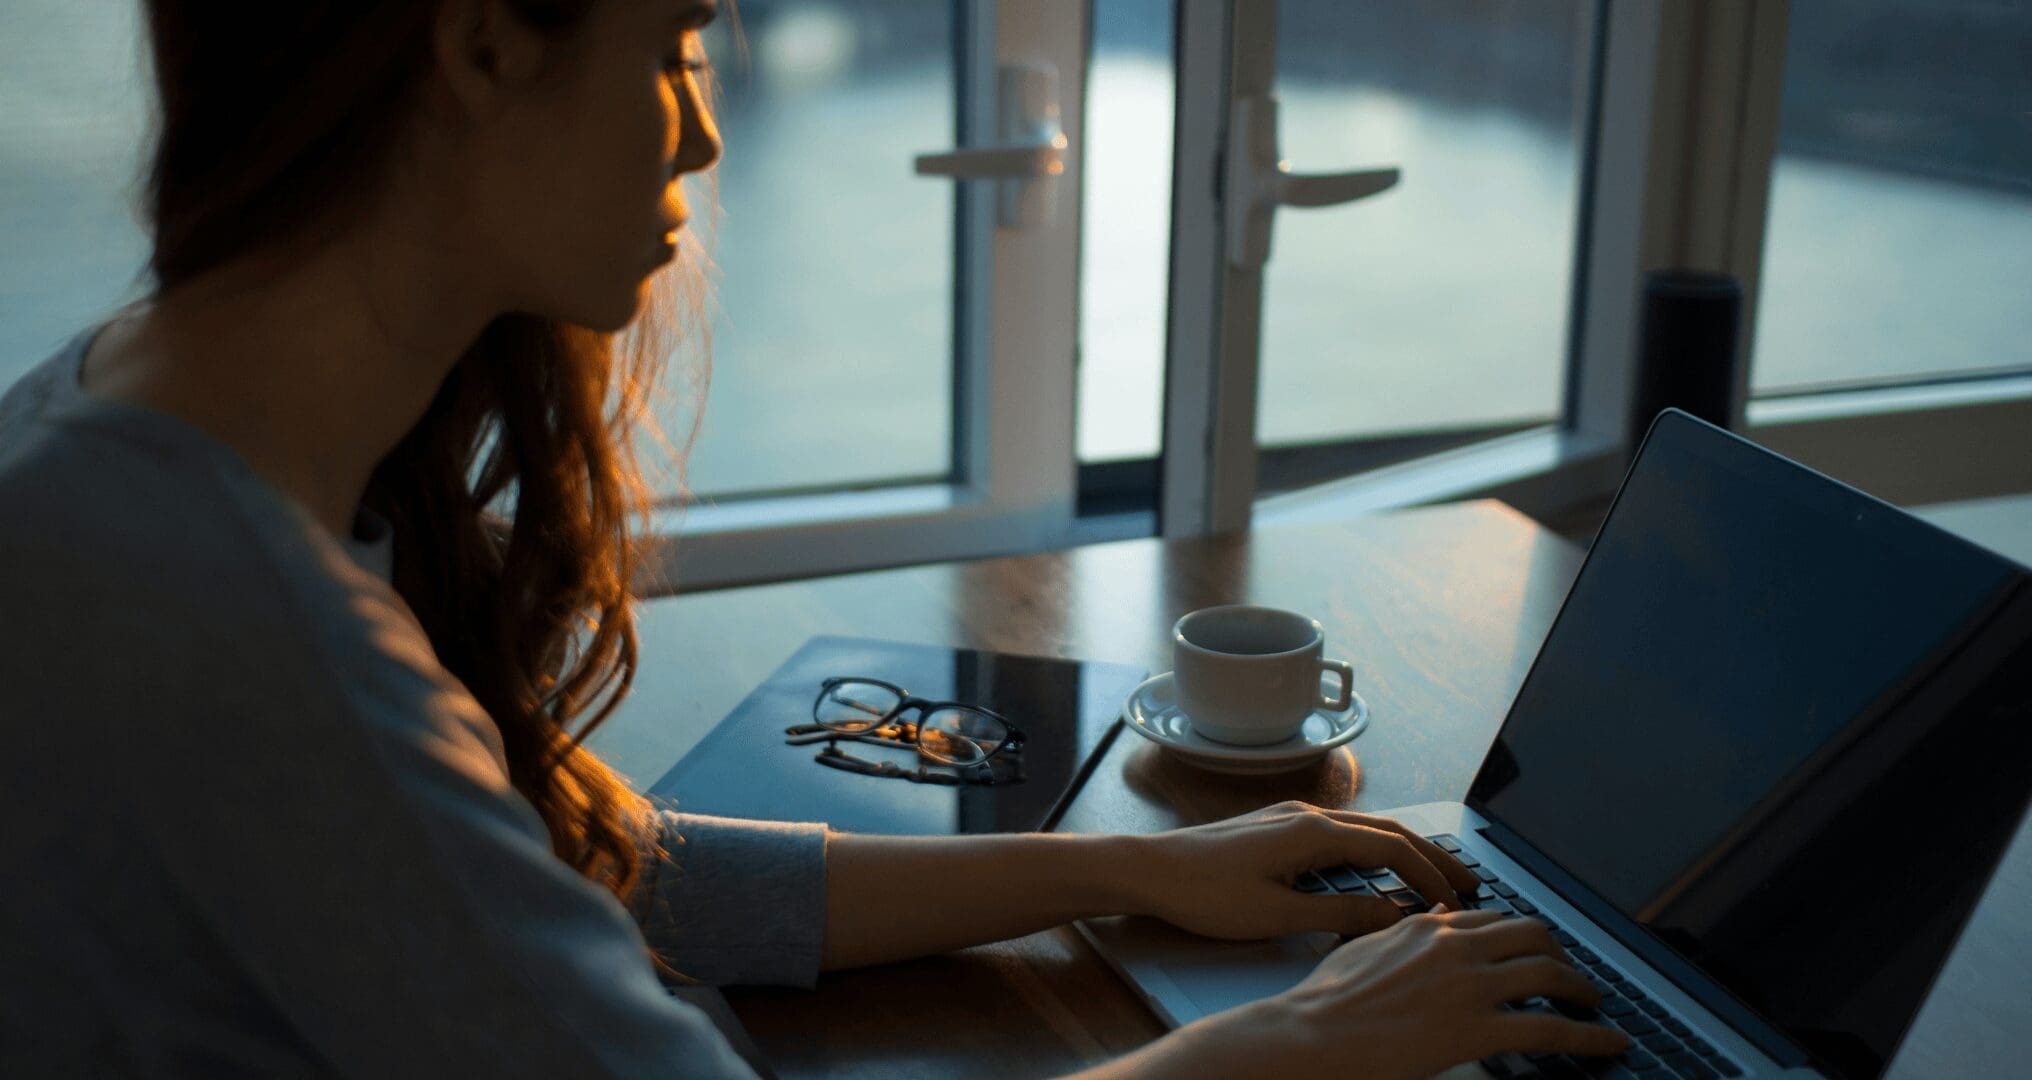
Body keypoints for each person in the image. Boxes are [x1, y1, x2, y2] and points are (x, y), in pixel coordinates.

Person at [0, 1, 1629, 1076]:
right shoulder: (248, 635)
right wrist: (1298, 1045)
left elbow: (596, 879)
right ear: (482, 46)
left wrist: (1136, 866)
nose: (702, 132)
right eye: (680, 40)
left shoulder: (115, 427)